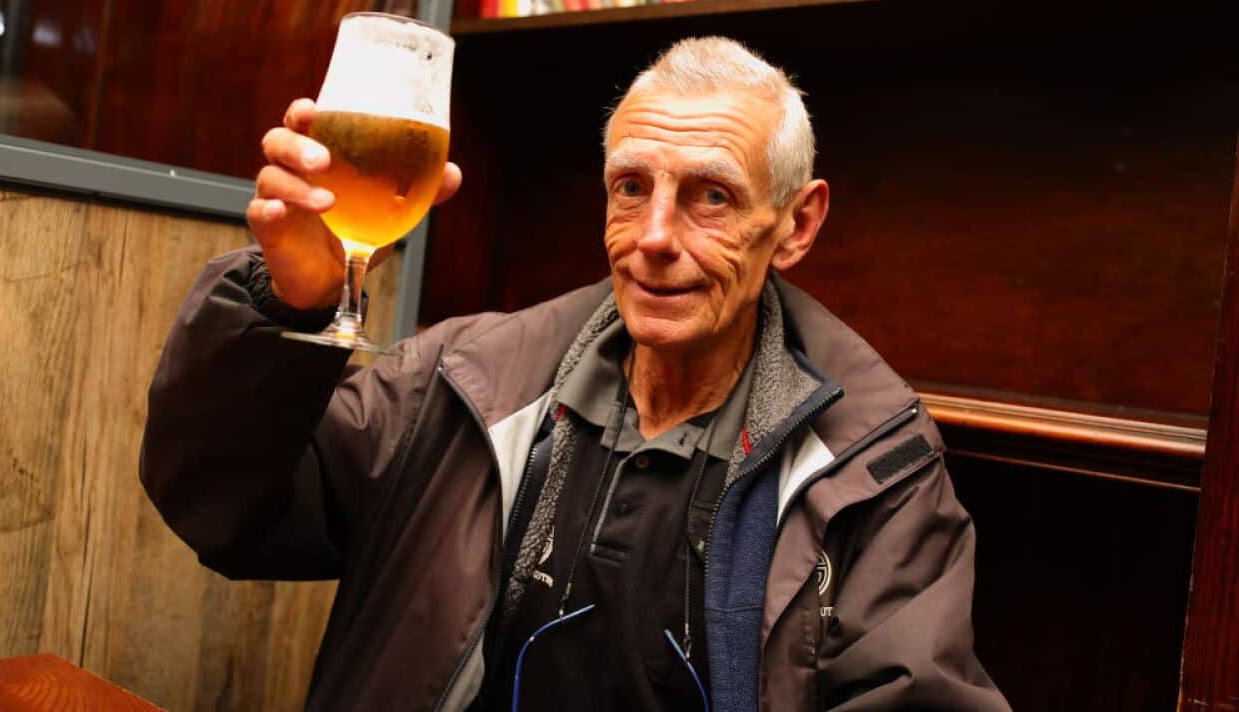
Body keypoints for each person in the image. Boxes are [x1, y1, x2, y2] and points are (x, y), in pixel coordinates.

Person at [141, 36, 1010, 711]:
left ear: (797, 225)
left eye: (711, 196)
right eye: (631, 187)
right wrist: (286, 307)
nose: (655, 237)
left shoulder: (874, 463)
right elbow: (230, 513)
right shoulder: (464, 378)